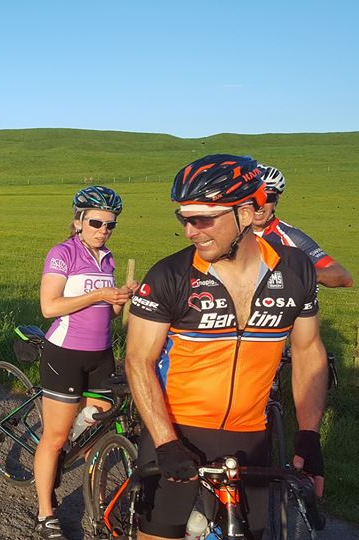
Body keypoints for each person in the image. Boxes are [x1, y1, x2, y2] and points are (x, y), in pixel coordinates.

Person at [126, 155, 327, 540]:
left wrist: (309, 435)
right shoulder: (171, 275)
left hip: (249, 436)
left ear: (247, 213)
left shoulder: (295, 270)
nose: (190, 231)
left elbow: (307, 352)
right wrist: (165, 441)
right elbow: (138, 359)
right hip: (175, 428)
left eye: (203, 219)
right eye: (184, 218)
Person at [33, 186, 134, 538]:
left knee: (96, 434)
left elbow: (108, 312)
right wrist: (100, 293)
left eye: (110, 225)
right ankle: (45, 513)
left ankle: (97, 502)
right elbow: (49, 307)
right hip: (65, 354)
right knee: (56, 436)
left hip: (101, 355)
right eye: (96, 223)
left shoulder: (107, 258)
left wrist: (120, 299)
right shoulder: (63, 254)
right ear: (78, 221)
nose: (103, 230)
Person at [252, 164, 353, 288]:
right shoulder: (231, 232)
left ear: (278, 198)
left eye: (268, 197)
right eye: (253, 198)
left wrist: (301, 274)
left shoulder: (290, 236)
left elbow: (343, 276)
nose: (260, 205)